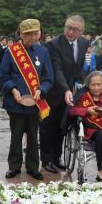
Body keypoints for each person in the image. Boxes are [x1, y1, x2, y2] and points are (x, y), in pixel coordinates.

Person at [0, 19, 53, 180]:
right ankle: (14, 167)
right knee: (16, 135)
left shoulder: (43, 52)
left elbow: (49, 78)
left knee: (32, 135)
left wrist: (41, 90)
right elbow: (3, 76)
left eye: (36, 34)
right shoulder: (12, 51)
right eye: (28, 34)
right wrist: (13, 89)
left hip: (35, 103)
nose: (33, 37)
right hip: (15, 102)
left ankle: (32, 167)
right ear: (21, 35)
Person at [40, 15, 89, 173]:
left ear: (81, 31)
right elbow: (57, 69)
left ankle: (57, 157)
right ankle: (46, 160)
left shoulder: (83, 43)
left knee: (62, 126)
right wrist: (66, 89)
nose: (70, 32)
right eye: (68, 27)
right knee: (49, 126)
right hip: (53, 92)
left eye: (75, 29)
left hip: (70, 93)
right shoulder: (53, 44)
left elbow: (79, 66)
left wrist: (82, 84)